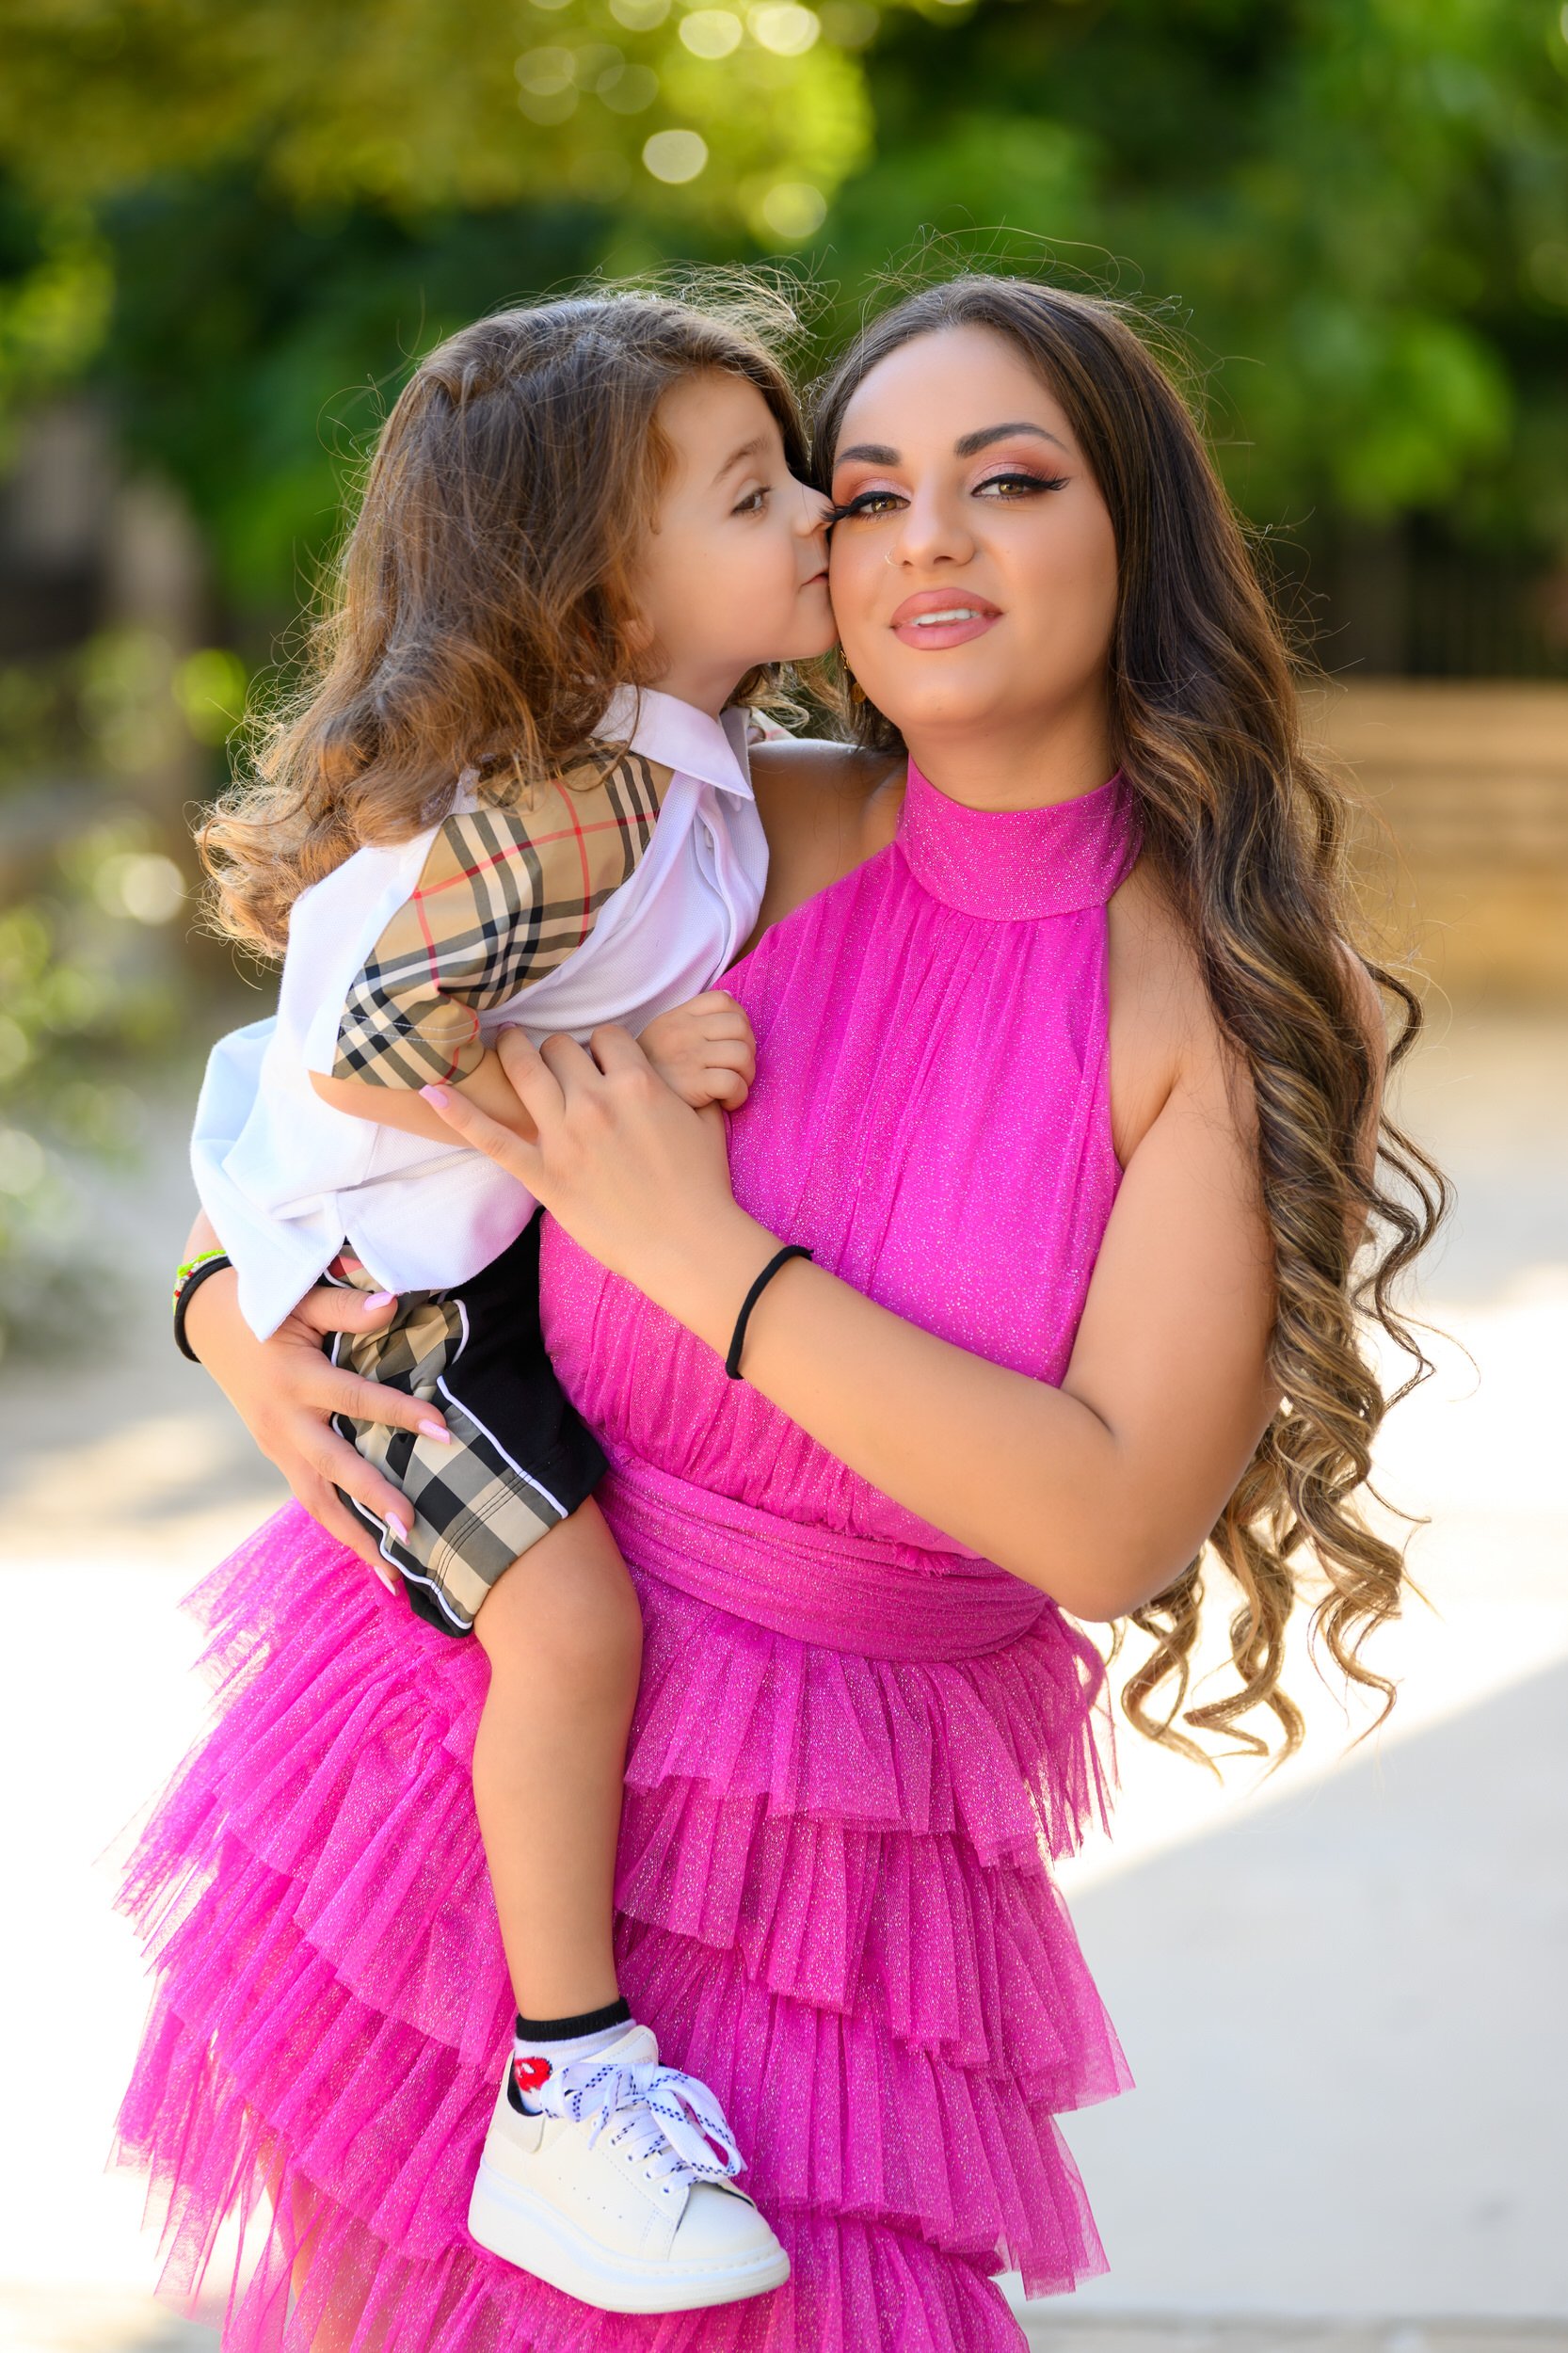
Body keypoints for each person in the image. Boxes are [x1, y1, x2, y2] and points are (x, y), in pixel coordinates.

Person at [120, 273, 1441, 2353]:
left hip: (838, 1852)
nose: (921, 538)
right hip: (456, 1746)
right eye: (869, 487)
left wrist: (701, 1255)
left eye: (1009, 480)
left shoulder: (1243, 996)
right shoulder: (726, 822)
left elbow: (1106, 1524)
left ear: (1143, 531)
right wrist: (222, 1303)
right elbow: (348, 1071)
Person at [165, 288, 842, 2314]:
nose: (817, 514)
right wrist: (625, 1066)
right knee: (567, 1621)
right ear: (613, 596)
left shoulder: (684, 762)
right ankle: (567, 2077)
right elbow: (373, 1046)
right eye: (754, 496)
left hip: (448, 1251)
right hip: (392, 1289)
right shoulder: (581, 804)